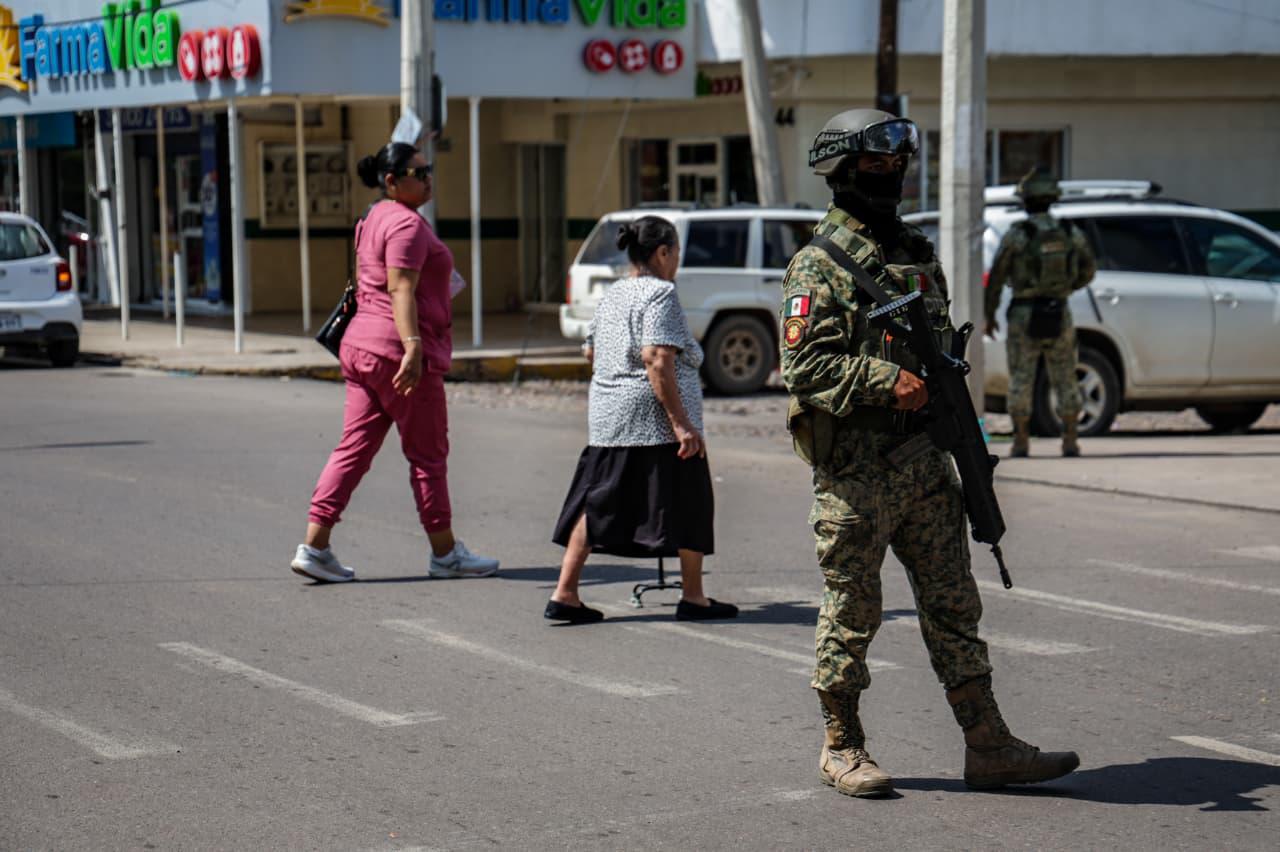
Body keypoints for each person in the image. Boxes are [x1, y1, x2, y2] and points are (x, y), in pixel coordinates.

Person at [779, 109, 1079, 798]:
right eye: (876, 165)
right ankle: (842, 745)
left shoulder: (916, 253)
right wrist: (889, 380)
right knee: (851, 612)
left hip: (925, 465)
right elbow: (807, 372)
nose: (891, 175)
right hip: (855, 475)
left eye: (897, 164)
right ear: (843, 171)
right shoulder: (818, 265)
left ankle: (988, 743)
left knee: (954, 606)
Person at [291, 142, 499, 583]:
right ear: (391, 180)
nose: (428, 179)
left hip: (362, 348)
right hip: (396, 353)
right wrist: (413, 347)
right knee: (428, 455)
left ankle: (314, 546)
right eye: (417, 173)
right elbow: (400, 288)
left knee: (353, 449)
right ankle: (446, 554)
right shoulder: (404, 224)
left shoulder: (372, 218)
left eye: (429, 171)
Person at [546, 216, 738, 624]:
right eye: (677, 254)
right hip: (653, 420)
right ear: (663, 252)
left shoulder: (615, 293)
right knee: (691, 499)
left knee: (596, 500)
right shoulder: (661, 294)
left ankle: (565, 593)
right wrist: (681, 423)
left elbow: (591, 353)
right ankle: (694, 597)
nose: (678, 262)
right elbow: (657, 358)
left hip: (608, 414)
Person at [985, 168, 1097, 458]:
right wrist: (1068, 287)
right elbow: (1089, 270)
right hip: (1059, 312)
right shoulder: (1071, 233)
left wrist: (989, 314)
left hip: (1023, 314)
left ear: (1026, 201)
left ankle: (1021, 440)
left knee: (1021, 377)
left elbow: (996, 277)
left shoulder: (1017, 236)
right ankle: (1070, 438)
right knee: (1065, 376)